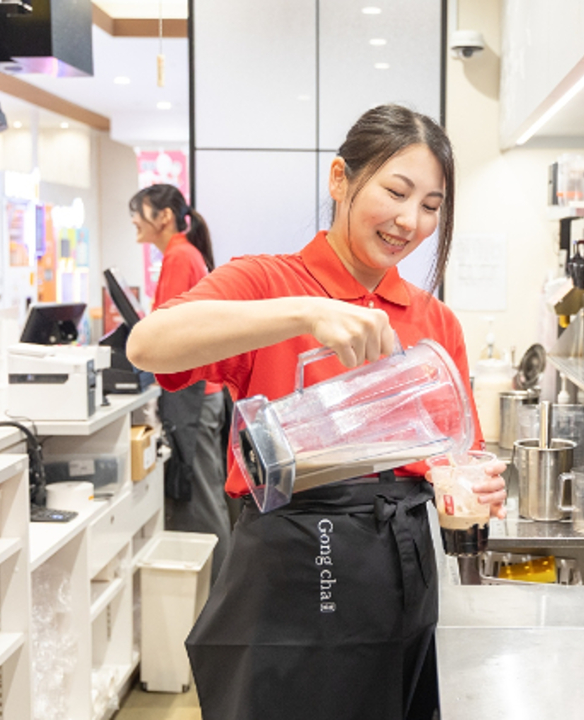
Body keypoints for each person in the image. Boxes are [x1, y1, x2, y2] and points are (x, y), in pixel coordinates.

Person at [126, 104, 507, 720]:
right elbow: (148, 344)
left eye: (432, 206)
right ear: (340, 180)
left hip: (402, 578)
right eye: (397, 191)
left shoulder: (435, 322)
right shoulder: (268, 283)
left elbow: (453, 458)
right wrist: (303, 313)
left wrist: (464, 482)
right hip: (295, 571)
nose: (410, 221)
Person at [128, 183, 232, 580]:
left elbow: (164, 333)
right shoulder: (186, 253)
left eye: (139, 211)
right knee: (208, 496)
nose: (134, 220)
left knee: (203, 503)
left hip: (193, 395)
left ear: (164, 217)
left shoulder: (178, 256)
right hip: (202, 393)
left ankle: (222, 596)